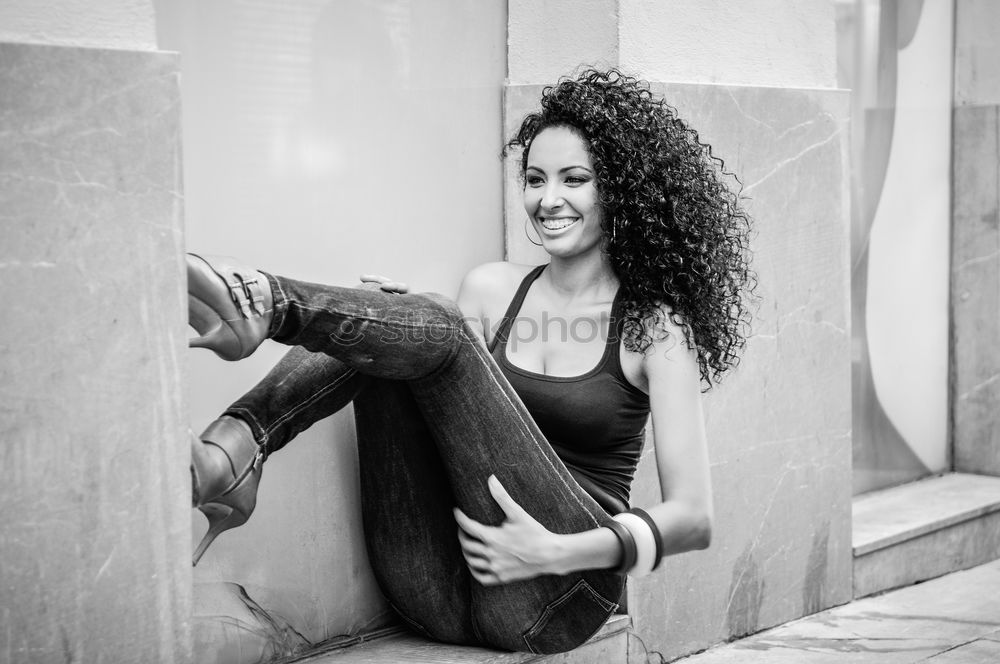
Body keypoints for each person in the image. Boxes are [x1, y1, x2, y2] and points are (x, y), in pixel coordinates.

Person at [186, 68, 754, 655]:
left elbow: (693, 518)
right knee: (391, 321)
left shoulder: (654, 326)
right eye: (534, 179)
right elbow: (439, 361)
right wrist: (393, 322)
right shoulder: (491, 289)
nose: (547, 199)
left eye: (574, 179)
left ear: (620, 190)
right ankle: (239, 446)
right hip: (432, 583)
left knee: (420, 321)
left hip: (556, 592)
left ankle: (263, 309)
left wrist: (554, 550)